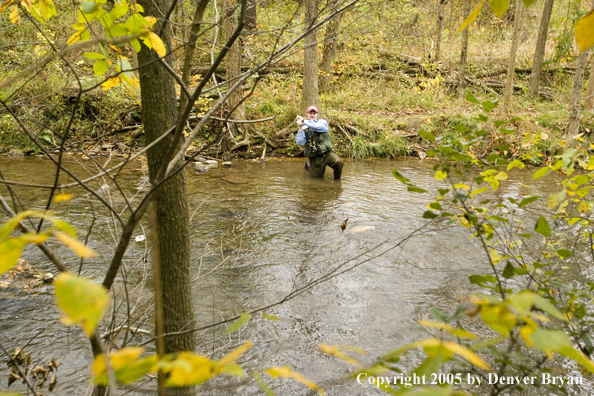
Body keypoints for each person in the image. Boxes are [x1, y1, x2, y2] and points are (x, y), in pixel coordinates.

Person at [295, 106, 343, 180]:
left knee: (338, 162)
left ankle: (337, 181)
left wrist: (303, 120)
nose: (312, 115)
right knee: (316, 179)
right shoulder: (304, 127)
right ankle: (309, 166)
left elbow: (316, 126)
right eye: (310, 113)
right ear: (307, 114)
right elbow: (300, 142)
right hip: (314, 157)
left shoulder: (322, 123)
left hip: (326, 153)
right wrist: (300, 128)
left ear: (317, 114)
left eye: (314, 113)